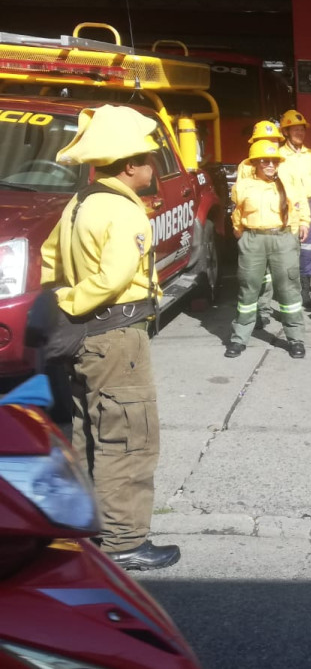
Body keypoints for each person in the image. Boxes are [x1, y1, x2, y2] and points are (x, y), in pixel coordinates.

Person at [39, 105, 180, 570]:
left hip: (85, 339)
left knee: (88, 431)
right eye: (149, 159)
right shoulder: (126, 212)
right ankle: (125, 542)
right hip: (117, 334)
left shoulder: (79, 201)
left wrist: (63, 304)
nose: (154, 168)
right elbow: (115, 276)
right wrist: (76, 303)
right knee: (128, 436)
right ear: (130, 166)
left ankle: (88, 527)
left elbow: (49, 258)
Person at [225, 140, 311, 360]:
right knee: (248, 288)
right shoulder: (243, 185)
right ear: (255, 163)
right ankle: (239, 338)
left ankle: (295, 338)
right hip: (253, 239)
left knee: (289, 289)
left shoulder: (287, 184)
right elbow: (237, 212)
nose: (271, 165)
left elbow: (300, 203)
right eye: (265, 161)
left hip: (282, 238)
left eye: (274, 161)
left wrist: (303, 223)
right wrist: (240, 233)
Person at [240, 119, 305, 329]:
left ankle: (285, 324)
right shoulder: (246, 167)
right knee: (257, 278)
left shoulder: (286, 165)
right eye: (262, 140)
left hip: (284, 232)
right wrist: (240, 230)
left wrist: (302, 221)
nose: (268, 143)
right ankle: (262, 311)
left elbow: (299, 197)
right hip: (256, 233)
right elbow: (240, 202)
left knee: (287, 280)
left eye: (273, 140)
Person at [278, 109, 311, 310]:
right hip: (287, 207)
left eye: (302, 130)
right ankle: (288, 291)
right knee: (286, 249)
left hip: (310, 204)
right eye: (295, 130)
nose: (299, 133)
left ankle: (305, 292)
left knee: (307, 249)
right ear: (286, 132)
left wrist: (310, 196)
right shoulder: (278, 155)